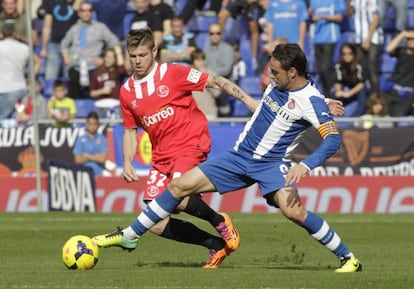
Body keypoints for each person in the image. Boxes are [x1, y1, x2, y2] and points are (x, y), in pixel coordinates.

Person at [93, 41, 359, 272]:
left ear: (292, 72)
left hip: (270, 164)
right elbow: (298, 97)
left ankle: (348, 258)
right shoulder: (287, 86)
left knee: (294, 212)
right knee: (178, 187)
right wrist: (325, 101)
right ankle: (130, 234)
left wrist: (305, 164)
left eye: (275, 72)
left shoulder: (310, 101)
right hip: (238, 157)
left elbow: (333, 138)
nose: (270, 75)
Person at [93, 28, 256, 269]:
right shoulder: (127, 92)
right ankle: (215, 244)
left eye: (142, 55)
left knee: (177, 196)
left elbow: (214, 81)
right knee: (156, 223)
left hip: (191, 142)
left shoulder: (173, 73)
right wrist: (127, 162)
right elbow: (130, 131)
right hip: (162, 156)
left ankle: (219, 220)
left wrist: (249, 101)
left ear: (154, 51)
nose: (137, 61)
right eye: (133, 56)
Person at [60, 1, 121, 99]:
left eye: (89, 10)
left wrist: (104, 59)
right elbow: (64, 45)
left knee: (99, 80)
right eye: (83, 10)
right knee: (72, 81)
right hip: (77, 66)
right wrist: (67, 59)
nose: (86, 13)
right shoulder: (74, 28)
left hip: (94, 67)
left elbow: (114, 42)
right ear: (79, 13)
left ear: (92, 12)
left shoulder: (100, 27)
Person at [0, 22, 40, 122]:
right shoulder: (24, 48)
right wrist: (30, 79)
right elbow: (38, 63)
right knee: (15, 121)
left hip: (3, 89)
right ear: (15, 34)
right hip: (20, 88)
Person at [309, 0, 346, 97]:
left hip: (330, 38)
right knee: (320, 69)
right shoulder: (313, 1)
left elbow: (339, 17)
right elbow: (311, 16)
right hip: (317, 39)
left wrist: (323, 17)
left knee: (326, 68)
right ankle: (326, 95)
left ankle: (332, 94)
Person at [347, 0, 383, 93]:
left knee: (372, 70)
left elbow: (376, 17)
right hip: (359, 39)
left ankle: (376, 99)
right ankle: (364, 102)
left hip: (373, 39)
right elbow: (349, 13)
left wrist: (368, 39)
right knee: (361, 72)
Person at [39, 0, 81, 81]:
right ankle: (50, 92)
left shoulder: (77, 3)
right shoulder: (52, 3)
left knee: (69, 77)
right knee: (50, 76)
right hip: (54, 44)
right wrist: (43, 48)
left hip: (71, 46)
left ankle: (68, 93)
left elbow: (79, 10)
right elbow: (47, 27)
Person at [205, 23, 235, 117]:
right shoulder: (205, 51)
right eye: (212, 33)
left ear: (222, 34)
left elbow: (226, 70)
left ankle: (223, 110)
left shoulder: (228, 49)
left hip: (223, 85)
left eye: (217, 33)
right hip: (209, 84)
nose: (214, 36)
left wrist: (208, 72)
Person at [382, 29, 414, 116]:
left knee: (397, 115)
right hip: (392, 90)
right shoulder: (401, 52)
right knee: (380, 111)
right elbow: (388, 49)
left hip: (407, 95)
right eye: (409, 39)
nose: (411, 41)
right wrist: (403, 34)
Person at [333, 42, 367, 117]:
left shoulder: (359, 64)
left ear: (354, 54)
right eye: (344, 54)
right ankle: (337, 116)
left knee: (362, 92)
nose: (347, 56)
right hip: (346, 87)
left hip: (357, 88)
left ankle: (356, 117)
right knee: (334, 93)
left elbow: (361, 83)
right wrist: (339, 91)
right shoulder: (339, 65)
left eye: (350, 53)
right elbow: (337, 81)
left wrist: (349, 93)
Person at [73, 111, 107, 176]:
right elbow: (77, 160)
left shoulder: (102, 139)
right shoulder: (80, 139)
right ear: (86, 124)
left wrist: (86, 156)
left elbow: (102, 159)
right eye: (90, 124)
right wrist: (96, 157)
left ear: (98, 125)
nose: (92, 126)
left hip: (98, 174)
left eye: (94, 124)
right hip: (83, 174)